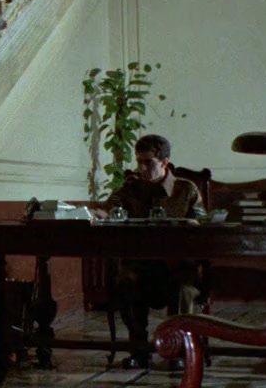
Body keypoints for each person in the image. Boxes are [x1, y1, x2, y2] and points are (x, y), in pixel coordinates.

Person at [106, 134, 205, 370]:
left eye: (148, 162)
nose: (141, 168)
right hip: (142, 265)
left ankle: (180, 350)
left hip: (178, 266)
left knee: (184, 288)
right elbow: (109, 208)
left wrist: (191, 226)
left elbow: (202, 226)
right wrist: (104, 213)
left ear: (164, 162)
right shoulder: (130, 188)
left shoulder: (185, 190)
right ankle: (139, 350)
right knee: (127, 282)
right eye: (139, 161)